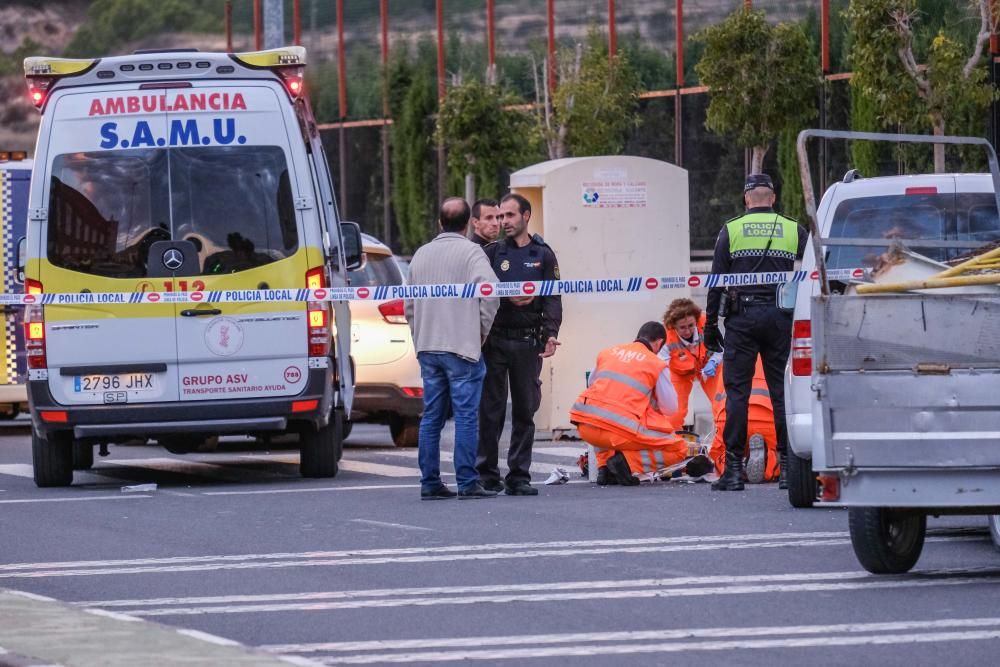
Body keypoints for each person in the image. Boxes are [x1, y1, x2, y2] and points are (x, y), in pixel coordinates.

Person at [704, 173, 807, 491]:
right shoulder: (793, 228)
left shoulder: (731, 229)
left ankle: (733, 471)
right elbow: (817, 268)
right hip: (780, 318)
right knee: (781, 393)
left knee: (738, 393)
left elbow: (716, 281)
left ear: (746, 199)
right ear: (773, 198)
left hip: (742, 319)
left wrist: (710, 325)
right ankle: (788, 468)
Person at [405, 197, 500, 500]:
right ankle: (467, 482)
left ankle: (430, 482)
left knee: (432, 416)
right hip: (461, 347)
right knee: (466, 416)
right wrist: (480, 332)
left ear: (439, 223)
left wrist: (418, 335)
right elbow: (491, 294)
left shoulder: (420, 255)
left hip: (428, 346)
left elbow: (409, 305)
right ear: (467, 223)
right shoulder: (472, 253)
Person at [477, 193, 562, 496]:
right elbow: (478, 291)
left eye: (509, 216)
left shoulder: (543, 254)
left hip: (528, 342)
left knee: (525, 410)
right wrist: (503, 295)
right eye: (500, 217)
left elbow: (553, 297)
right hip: (496, 341)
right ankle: (486, 475)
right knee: (491, 410)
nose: (503, 222)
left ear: (526, 216)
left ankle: (518, 476)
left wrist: (551, 334)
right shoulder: (491, 253)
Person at [570, 322, 713, 487]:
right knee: (678, 448)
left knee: (603, 415)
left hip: (586, 426)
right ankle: (627, 463)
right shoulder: (655, 363)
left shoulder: (607, 353)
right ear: (659, 343)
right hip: (619, 431)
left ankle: (604, 469)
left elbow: (591, 383)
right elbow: (670, 408)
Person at [708, 357, 780, 484]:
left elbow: (716, 405)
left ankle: (733, 465)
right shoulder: (777, 354)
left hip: (731, 420)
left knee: (721, 451)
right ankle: (769, 459)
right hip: (768, 420)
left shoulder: (730, 357)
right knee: (784, 456)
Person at [661, 298, 722, 430]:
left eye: (690, 325)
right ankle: (673, 443)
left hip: (709, 365)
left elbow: (722, 349)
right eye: (682, 327)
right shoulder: (666, 335)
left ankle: (724, 440)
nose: (687, 331)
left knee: (721, 404)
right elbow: (661, 366)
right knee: (674, 413)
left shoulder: (707, 322)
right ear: (673, 326)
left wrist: (713, 362)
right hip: (679, 372)